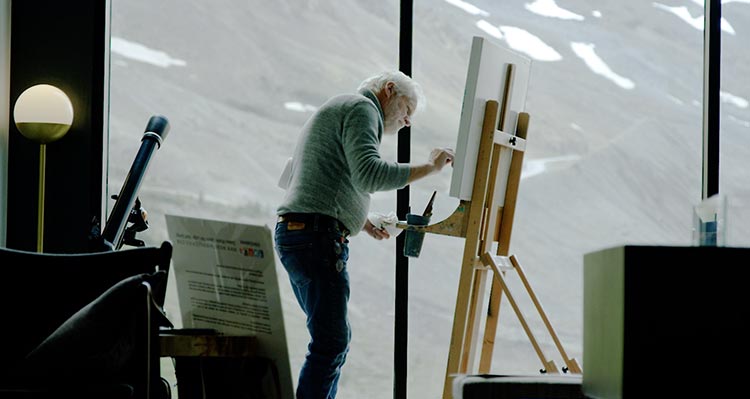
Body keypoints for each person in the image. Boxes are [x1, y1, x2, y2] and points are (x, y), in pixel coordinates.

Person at [274, 70, 454, 399]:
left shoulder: (341, 106)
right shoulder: (362, 110)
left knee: (329, 341)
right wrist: (430, 168)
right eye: (407, 110)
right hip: (317, 237)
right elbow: (370, 174)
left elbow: (324, 174)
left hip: (298, 234)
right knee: (331, 343)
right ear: (388, 90)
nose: (407, 121)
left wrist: (360, 218)